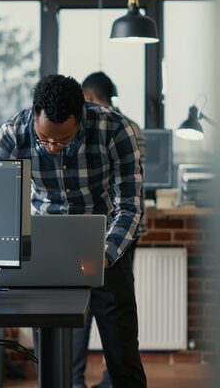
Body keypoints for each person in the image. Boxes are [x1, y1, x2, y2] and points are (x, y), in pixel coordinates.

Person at [0, 75, 147, 388]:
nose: (52, 147)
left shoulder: (116, 130)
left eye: (64, 141)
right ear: (34, 115)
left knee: (122, 354)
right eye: (45, 139)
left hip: (105, 247)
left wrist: (102, 256)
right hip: (44, 248)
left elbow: (129, 207)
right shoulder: (12, 134)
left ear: (81, 117)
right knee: (52, 355)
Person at [78, 71, 147, 388]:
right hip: (122, 237)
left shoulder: (112, 127)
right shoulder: (133, 125)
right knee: (116, 320)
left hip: (99, 237)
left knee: (82, 314)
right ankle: (110, 379)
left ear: (88, 97)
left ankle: (75, 376)